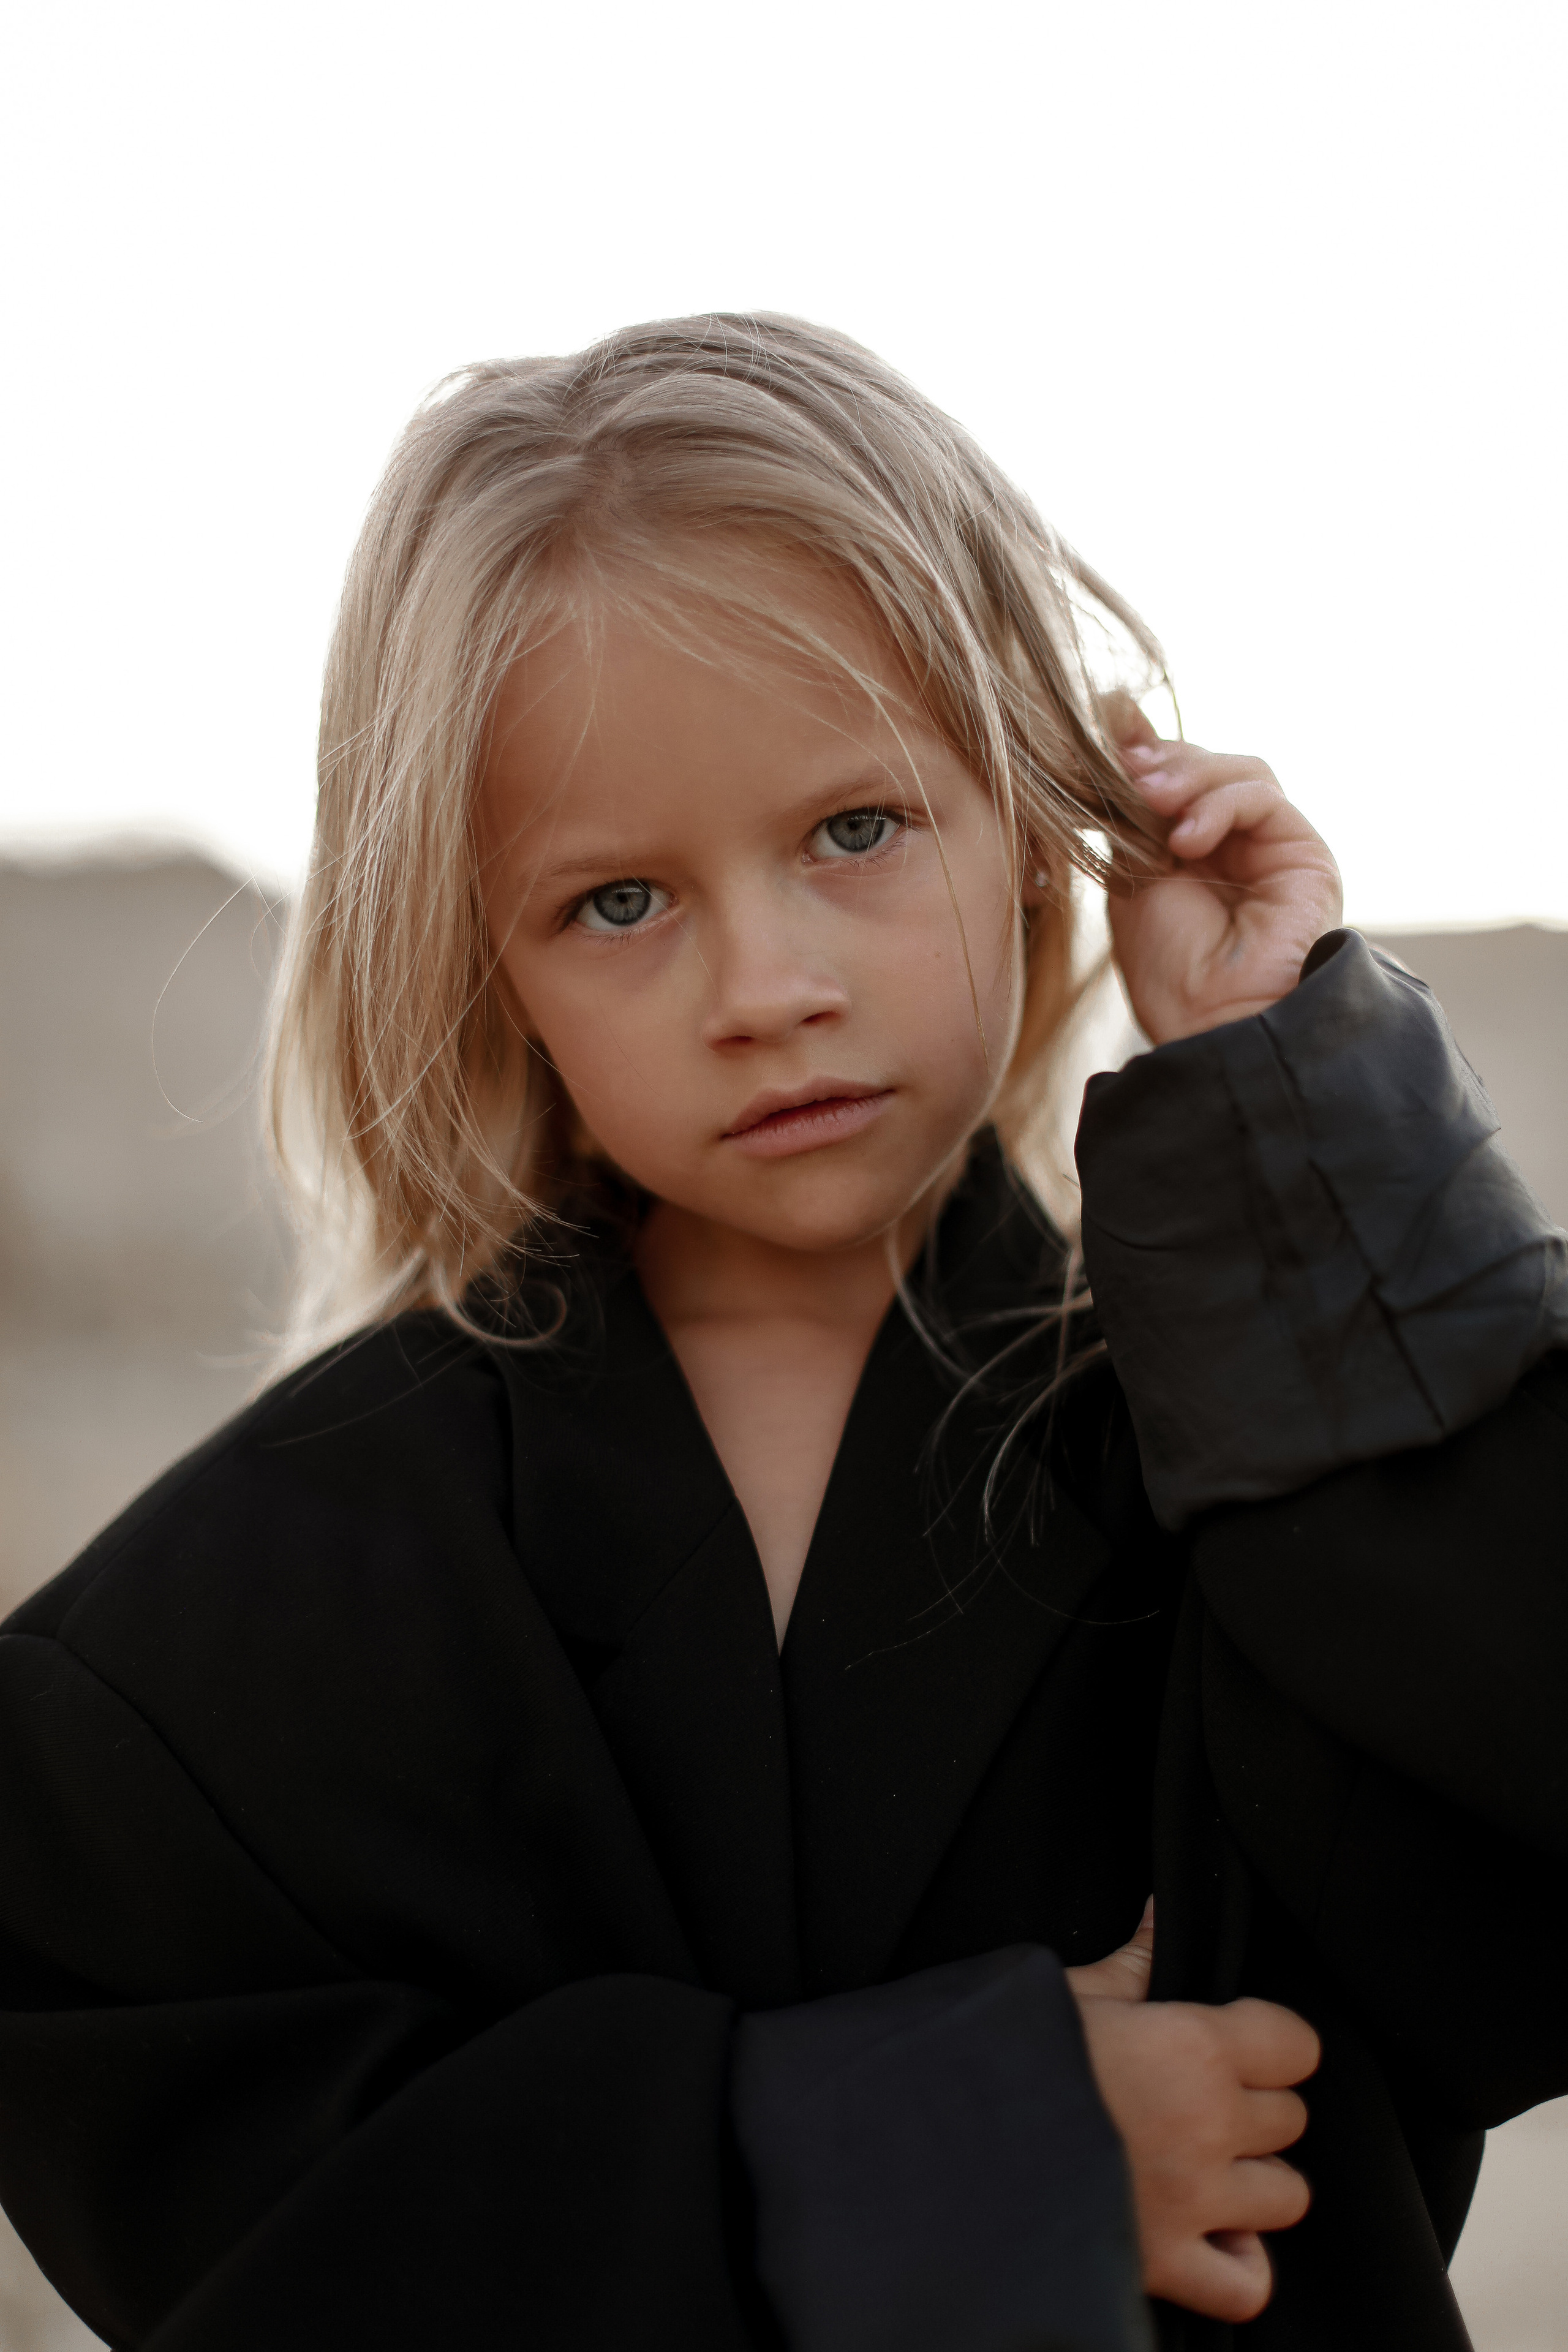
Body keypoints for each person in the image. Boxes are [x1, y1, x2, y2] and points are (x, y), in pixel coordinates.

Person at [0, 314, 1563, 2352]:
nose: (769, 985)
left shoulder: (1264, 1473)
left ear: (1037, 826)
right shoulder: (236, 1637)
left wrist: (1296, 1117)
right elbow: (249, 2232)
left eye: (854, 830)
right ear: (486, 964)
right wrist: (925, 2152)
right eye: (619, 903)